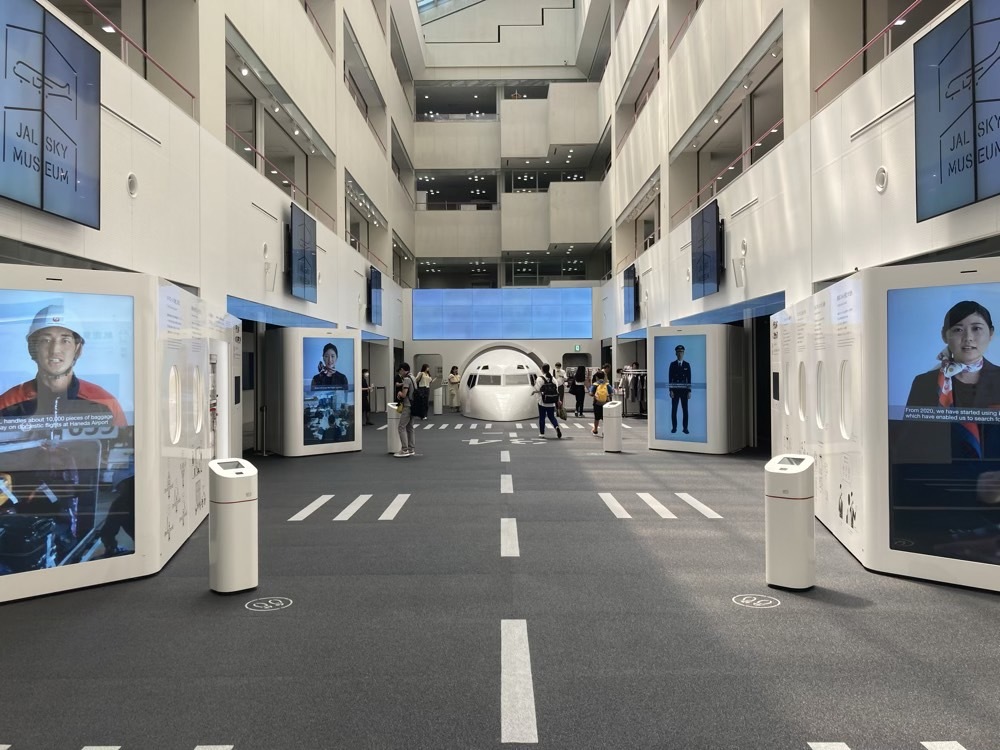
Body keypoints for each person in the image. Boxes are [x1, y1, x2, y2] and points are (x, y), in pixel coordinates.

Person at [891, 300, 1000, 563]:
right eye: (958, 329)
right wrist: (973, 485)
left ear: (991, 334)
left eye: (977, 328)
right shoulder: (925, 384)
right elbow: (908, 455)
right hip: (943, 504)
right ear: (944, 335)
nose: (968, 338)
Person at [0, 303, 126, 428]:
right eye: (46, 340)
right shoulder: (6, 404)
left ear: (78, 349)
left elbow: (124, 440)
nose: (55, 350)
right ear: (32, 348)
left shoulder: (106, 403)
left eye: (65, 341)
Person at [532, 364, 562, 439]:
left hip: (542, 401)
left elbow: (537, 389)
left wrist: (534, 392)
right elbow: (556, 391)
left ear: (542, 369)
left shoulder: (540, 379)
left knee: (542, 417)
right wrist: (558, 400)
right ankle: (556, 427)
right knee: (551, 416)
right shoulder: (553, 379)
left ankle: (542, 433)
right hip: (551, 401)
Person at [668, 344, 692, 434]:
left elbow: (689, 379)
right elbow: (670, 378)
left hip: (684, 391)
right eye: (678, 352)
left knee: (685, 410)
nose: (680, 354)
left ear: (683, 353)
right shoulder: (672, 364)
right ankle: (674, 428)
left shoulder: (687, 365)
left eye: (681, 352)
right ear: (676, 353)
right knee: (674, 410)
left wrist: (689, 391)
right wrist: (670, 390)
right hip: (675, 390)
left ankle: (685, 428)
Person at [395, 363, 417, 457]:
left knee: (401, 427)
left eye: (400, 371)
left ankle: (404, 449)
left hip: (407, 405)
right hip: (414, 405)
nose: (400, 373)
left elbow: (404, 394)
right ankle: (411, 449)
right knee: (410, 427)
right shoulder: (413, 377)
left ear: (403, 369)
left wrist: (399, 393)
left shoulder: (407, 379)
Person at [590, 370, 614, 435]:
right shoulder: (607, 384)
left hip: (597, 403)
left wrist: (595, 395)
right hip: (606, 404)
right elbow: (611, 393)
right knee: (605, 418)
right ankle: (605, 431)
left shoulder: (595, 384)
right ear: (604, 377)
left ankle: (595, 429)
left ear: (597, 377)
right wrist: (607, 396)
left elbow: (591, 393)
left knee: (596, 418)